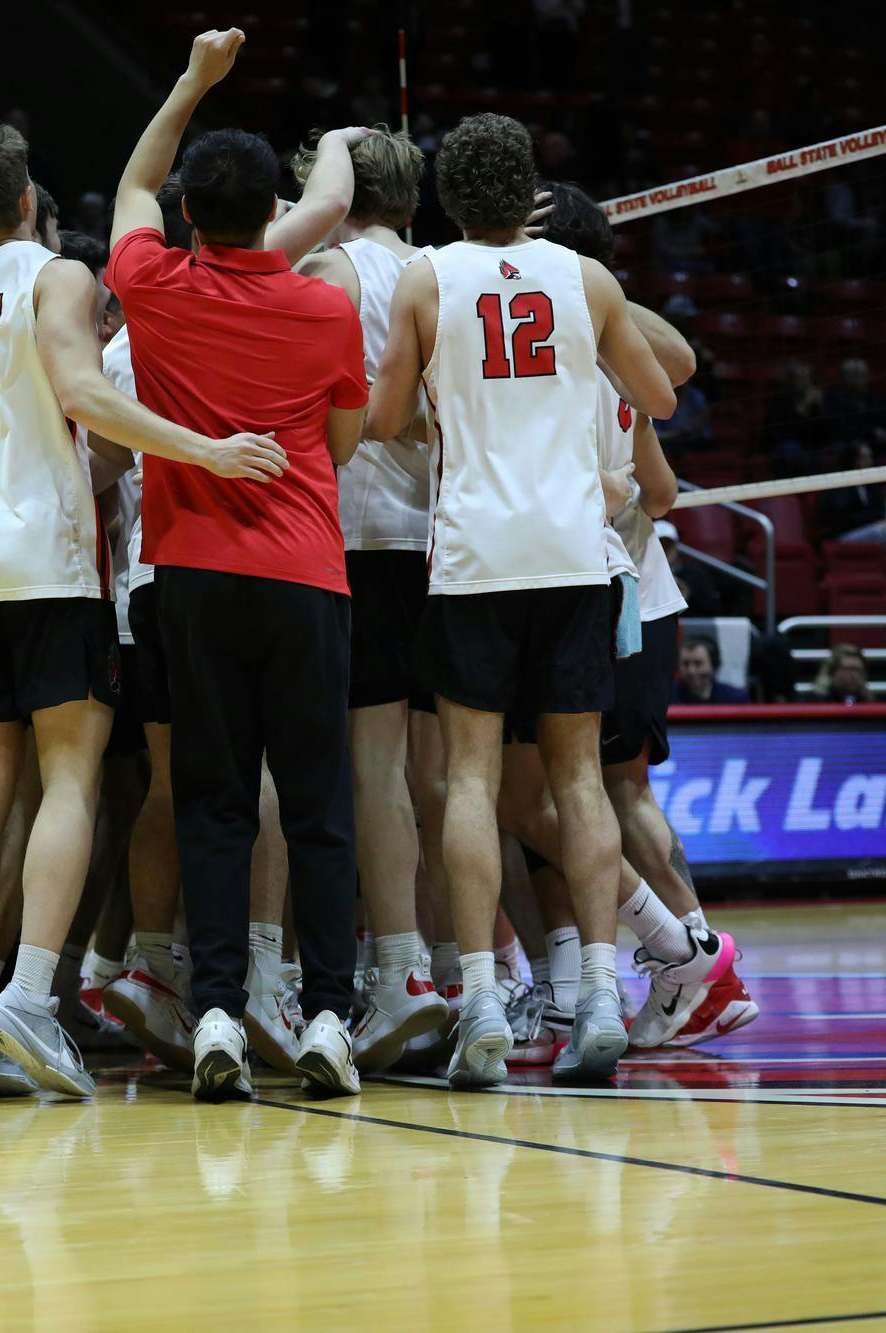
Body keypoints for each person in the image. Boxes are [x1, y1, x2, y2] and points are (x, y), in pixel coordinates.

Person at [0, 113, 275, 1101]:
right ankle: (28, 999)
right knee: (67, 779)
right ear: (27, 197)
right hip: (53, 564)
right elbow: (84, 391)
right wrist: (200, 447)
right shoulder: (56, 275)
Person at [367, 108, 674, 1089]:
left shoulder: (424, 278)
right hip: (571, 557)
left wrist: (447, 415)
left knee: (468, 779)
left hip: (472, 559)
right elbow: (658, 397)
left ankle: (485, 1004)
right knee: (578, 778)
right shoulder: (584, 279)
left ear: (448, 198)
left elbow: (380, 419)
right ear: (528, 190)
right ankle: (594, 994)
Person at [108, 31, 380, 1102]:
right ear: (275, 215)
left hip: (190, 573)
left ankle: (215, 1007)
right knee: (315, 803)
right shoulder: (323, 305)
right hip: (306, 573)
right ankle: (322, 1017)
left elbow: (132, 177)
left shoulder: (151, 282)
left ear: (188, 216)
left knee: (213, 800)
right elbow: (348, 437)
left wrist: (187, 82)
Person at [536, 182, 751, 1055]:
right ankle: (697, 964)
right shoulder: (607, 353)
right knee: (617, 792)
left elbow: (682, 373)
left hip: (607, 587)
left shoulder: (579, 348)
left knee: (586, 793)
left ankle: (694, 958)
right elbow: (662, 491)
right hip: (645, 591)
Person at [293, 125, 450, 1071]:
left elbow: (313, 408)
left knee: (325, 770)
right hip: (425, 543)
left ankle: (351, 976)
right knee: (401, 773)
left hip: (337, 537)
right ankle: (411, 969)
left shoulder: (328, 272)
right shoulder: (442, 272)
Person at [659, 518, 721, 617]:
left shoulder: (694, 574)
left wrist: (689, 592)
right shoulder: (642, 576)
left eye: (668, 545)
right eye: (660, 545)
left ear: (676, 547)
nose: (665, 550)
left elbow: (710, 607)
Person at [672, 636, 747, 704]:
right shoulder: (666, 697)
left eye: (698, 663)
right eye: (686, 664)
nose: (691, 671)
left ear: (714, 664)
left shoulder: (735, 699)